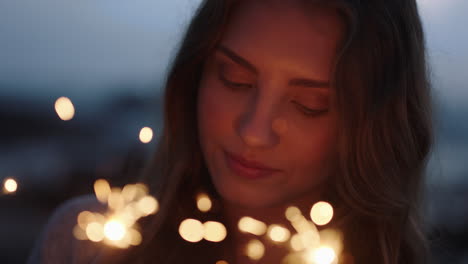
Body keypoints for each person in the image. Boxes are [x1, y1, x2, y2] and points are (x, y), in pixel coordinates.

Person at [28, 0, 434, 263]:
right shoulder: (87, 245)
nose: (254, 132)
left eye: (311, 105)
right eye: (235, 79)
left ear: (372, 129)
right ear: (196, 75)